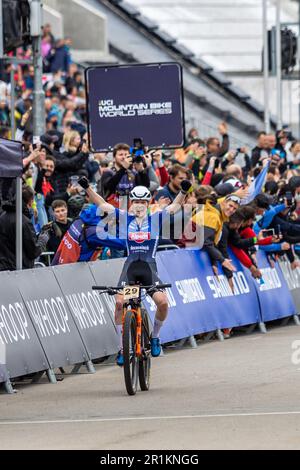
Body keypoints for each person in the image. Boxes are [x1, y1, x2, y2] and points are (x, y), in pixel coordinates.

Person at [77, 176, 192, 365]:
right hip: (130, 270)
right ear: (132, 203)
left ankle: (155, 337)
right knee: (120, 304)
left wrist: (183, 192)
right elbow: (103, 204)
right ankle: (122, 348)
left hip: (149, 270)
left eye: (143, 201)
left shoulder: (156, 218)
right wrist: (87, 188)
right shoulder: (124, 218)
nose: (139, 205)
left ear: (148, 203)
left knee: (162, 303)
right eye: (136, 201)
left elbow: (174, 207)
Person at [0, 186, 50, 271]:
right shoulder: (24, 221)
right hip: (19, 270)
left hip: (3, 268)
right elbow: (33, 252)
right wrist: (43, 239)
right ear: (31, 201)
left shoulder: (2, 216)